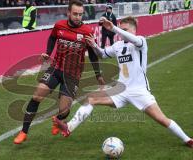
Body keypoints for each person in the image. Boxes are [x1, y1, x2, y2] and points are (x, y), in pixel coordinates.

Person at [53, 16, 193, 148]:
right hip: (121, 90)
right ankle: (69, 127)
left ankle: (187, 139)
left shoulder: (140, 42)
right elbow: (102, 54)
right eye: (121, 30)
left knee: (162, 119)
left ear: (133, 30)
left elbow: (132, 39)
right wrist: (94, 45)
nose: (122, 33)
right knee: (91, 98)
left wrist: (113, 28)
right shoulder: (118, 45)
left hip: (139, 91)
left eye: (125, 30)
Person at [14, 0, 105, 144]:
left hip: (72, 75)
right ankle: (24, 132)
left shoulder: (87, 31)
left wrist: (98, 74)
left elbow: (93, 54)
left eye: (80, 14)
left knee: (63, 110)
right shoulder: (59, 25)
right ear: (68, 12)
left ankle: (58, 120)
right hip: (56, 68)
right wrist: (48, 53)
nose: (78, 17)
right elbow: (52, 38)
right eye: (75, 14)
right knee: (37, 96)